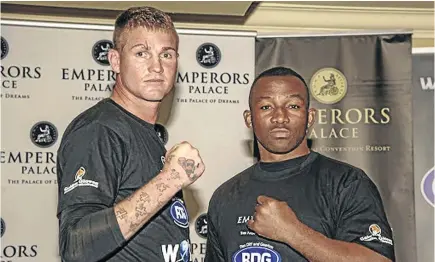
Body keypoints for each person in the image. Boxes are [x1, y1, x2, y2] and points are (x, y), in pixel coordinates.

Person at [56, 6, 205, 262]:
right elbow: (76, 245)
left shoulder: (145, 134)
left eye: (166, 54)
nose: (156, 66)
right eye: (141, 53)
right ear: (115, 61)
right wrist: (169, 181)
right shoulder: (99, 130)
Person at [205, 66, 395, 262]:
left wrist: (292, 232)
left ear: (310, 117)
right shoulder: (225, 196)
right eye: (266, 107)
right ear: (249, 119)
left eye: (293, 106)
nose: (280, 117)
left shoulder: (346, 183)